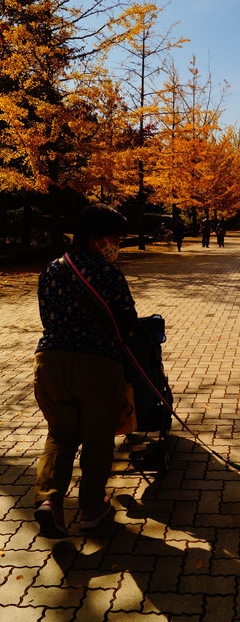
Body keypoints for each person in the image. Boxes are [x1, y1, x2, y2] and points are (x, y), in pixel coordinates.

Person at [33, 204, 138, 538]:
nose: (116, 245)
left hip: (51, 362)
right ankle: (92, 508)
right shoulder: (108, 274)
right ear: (95, 238)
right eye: (114, 238)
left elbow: (47, 317)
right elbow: (128, 324)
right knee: (96, 439)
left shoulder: (51, 269)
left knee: (61, 435)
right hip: (97, 365)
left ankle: (49, 502)